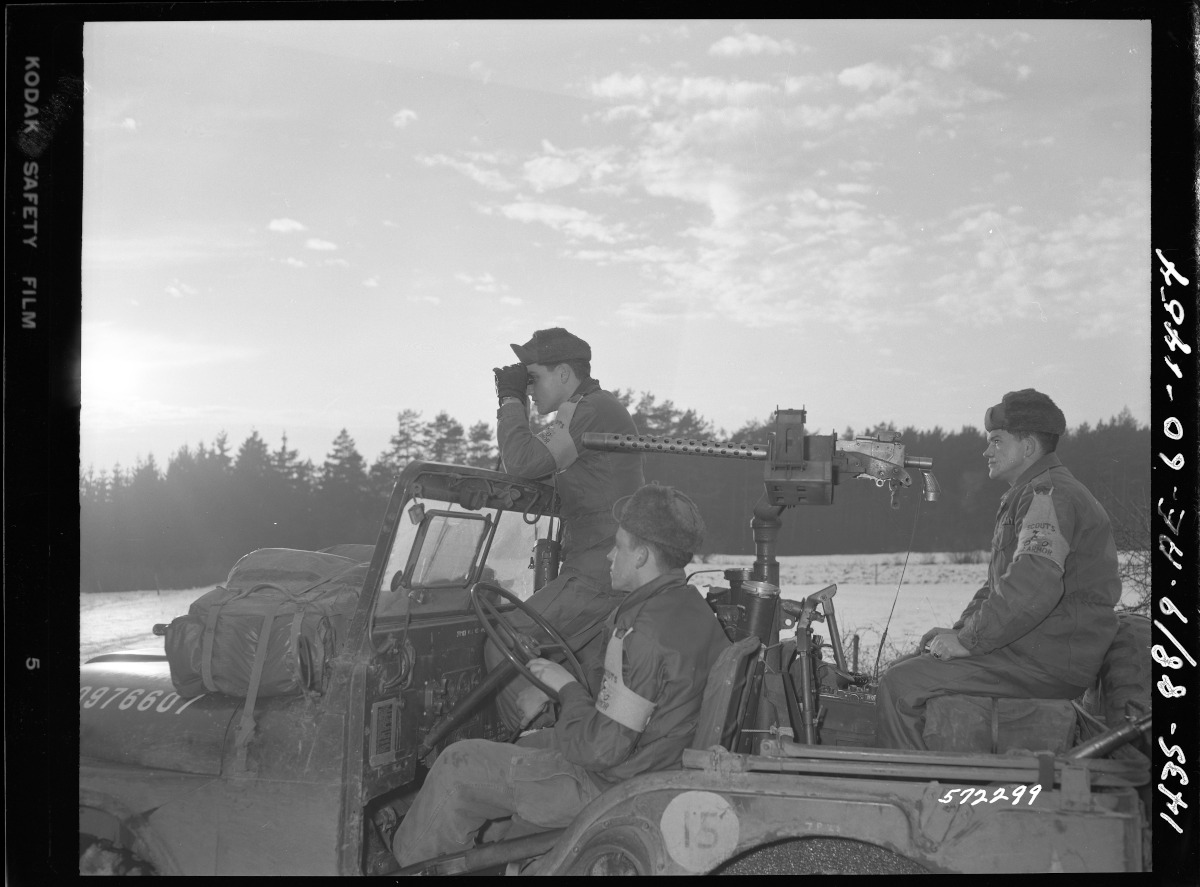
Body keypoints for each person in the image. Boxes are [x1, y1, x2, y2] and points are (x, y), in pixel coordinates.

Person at [392, 484, 730, 869]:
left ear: (642, 556)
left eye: (618, 546)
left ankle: (405, 867)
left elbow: (601, 749)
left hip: (606, 785)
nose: (608, 555)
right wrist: (558, 695)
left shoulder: (642, 631)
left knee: (457, 765)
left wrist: (565, 688)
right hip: (650, 763)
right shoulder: (688, 608)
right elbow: (629, 702)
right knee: (532, 741)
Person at [875, 389, 1121, 750]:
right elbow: (1000, 586)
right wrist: (961, 631)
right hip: (1037, 650)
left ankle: (910, 796)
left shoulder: (1047, 494)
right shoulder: (1033, 493)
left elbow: (1034, 584)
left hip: (1045, 659)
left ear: (1027, 448)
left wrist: (969, 641)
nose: (986, 451)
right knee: (908, 666)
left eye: (995, 441)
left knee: (900, 686)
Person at [487, 327, 645, 731]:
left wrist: (510, 399)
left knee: (503, 638)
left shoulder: (587, 409)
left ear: (562, 375)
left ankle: (523, 740)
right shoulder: (591, 410)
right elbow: (542, 476)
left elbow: (523, 462)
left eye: (532, 377)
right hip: (606, 568)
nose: (530, 388)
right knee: (579, 674)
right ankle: (551, 735)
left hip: (598, 571)